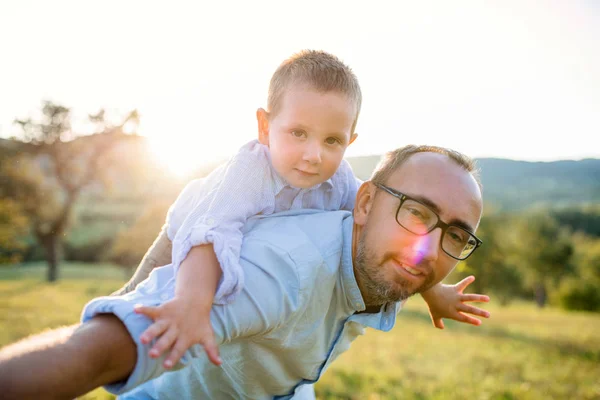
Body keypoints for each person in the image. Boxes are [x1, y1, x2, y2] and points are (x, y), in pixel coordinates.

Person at [0, 144, 487, 399]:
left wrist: (434, 293)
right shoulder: (281, 269)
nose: (427, 251)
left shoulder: (393, 247)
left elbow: (418, 258)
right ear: (363, 204)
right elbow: (100, 351)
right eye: (418, 212)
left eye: (456, 236)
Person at [110, 49, 489, 370]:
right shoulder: (248, 173)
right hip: (188, 229)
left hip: (248, 244)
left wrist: (433, 291)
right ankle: (102, 333)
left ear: (350, 141)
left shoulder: (340, 181)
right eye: (298, 133)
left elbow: (390, 228)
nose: (313, 155)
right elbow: (209, 234)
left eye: (332, 140)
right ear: (265, 126)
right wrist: (192, 304)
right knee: (135, 296)